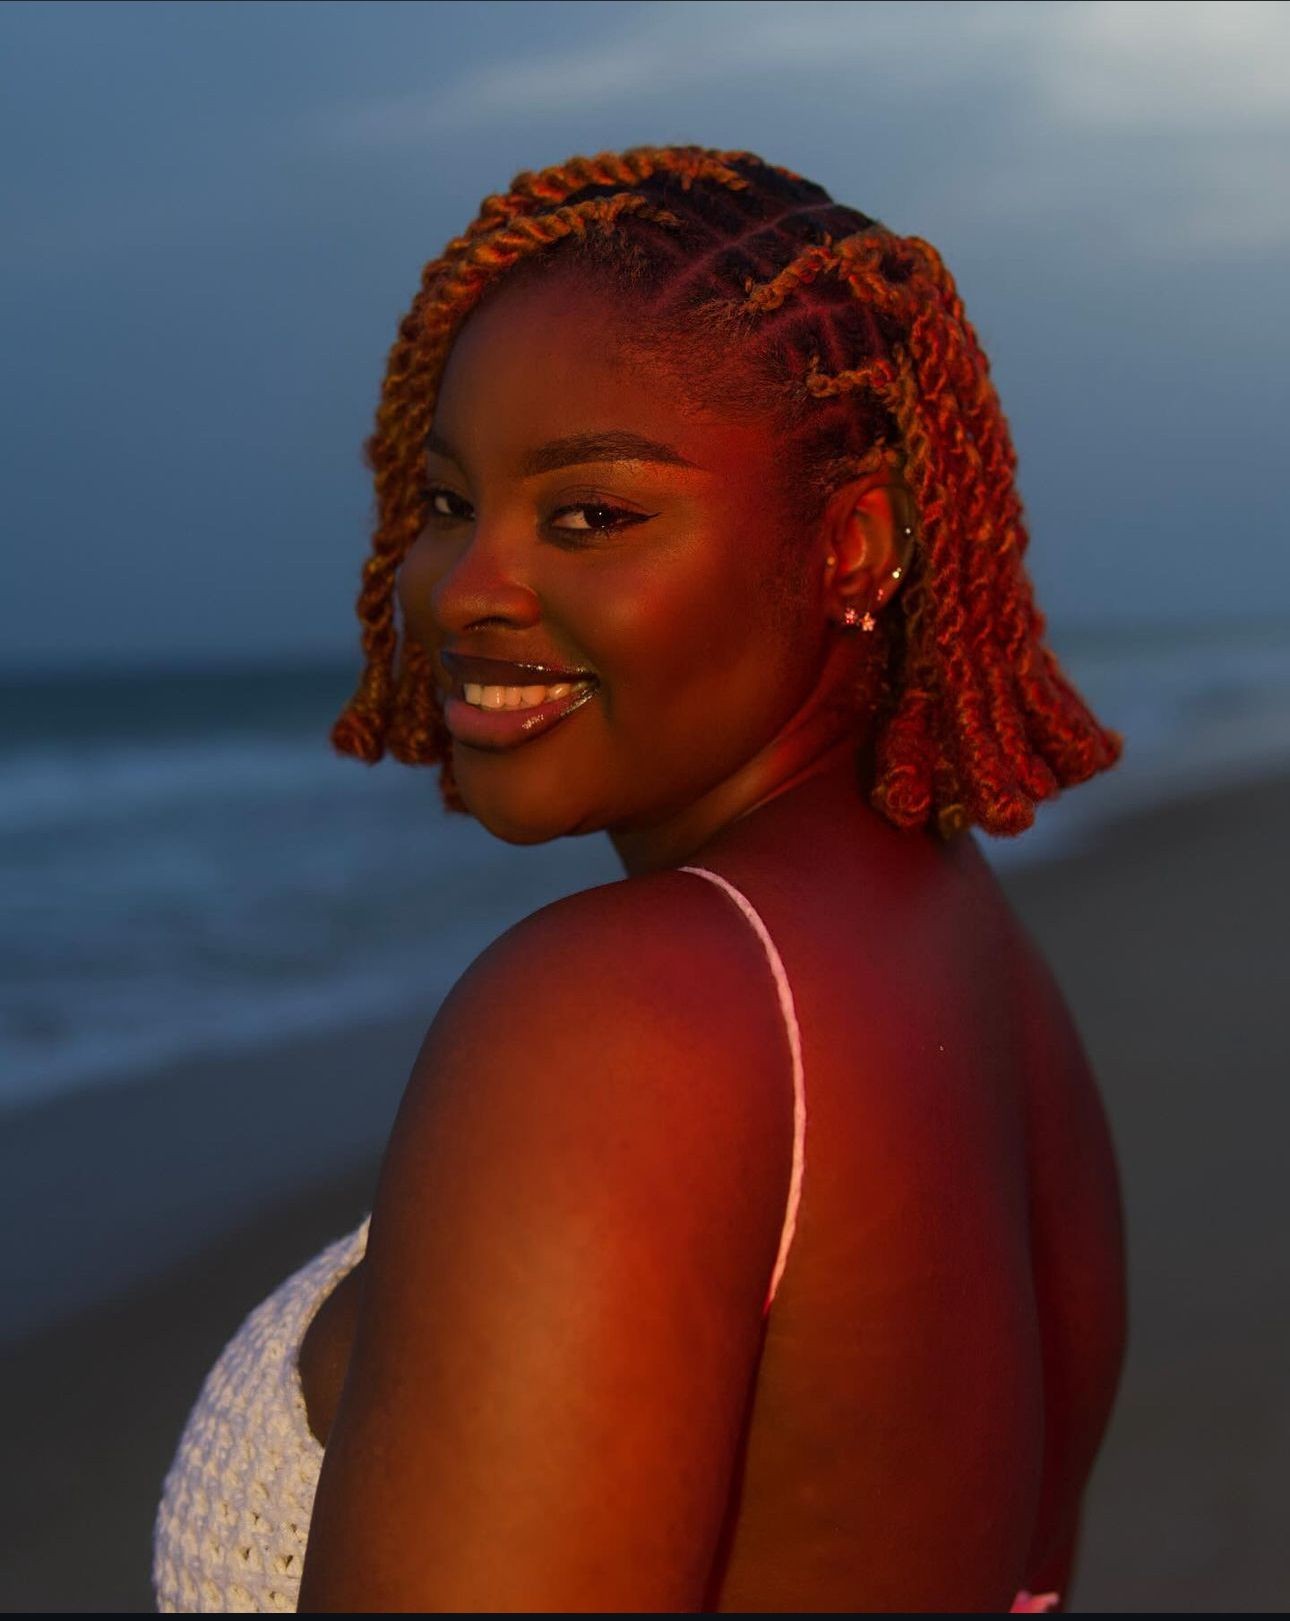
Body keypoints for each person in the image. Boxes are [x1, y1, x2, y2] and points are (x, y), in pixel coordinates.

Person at [152, 145, 1128, 1614]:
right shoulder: (958, 957)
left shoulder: (629, 1016)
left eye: (588, 513)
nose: (463, 584)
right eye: (441, 501)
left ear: (851, 544)